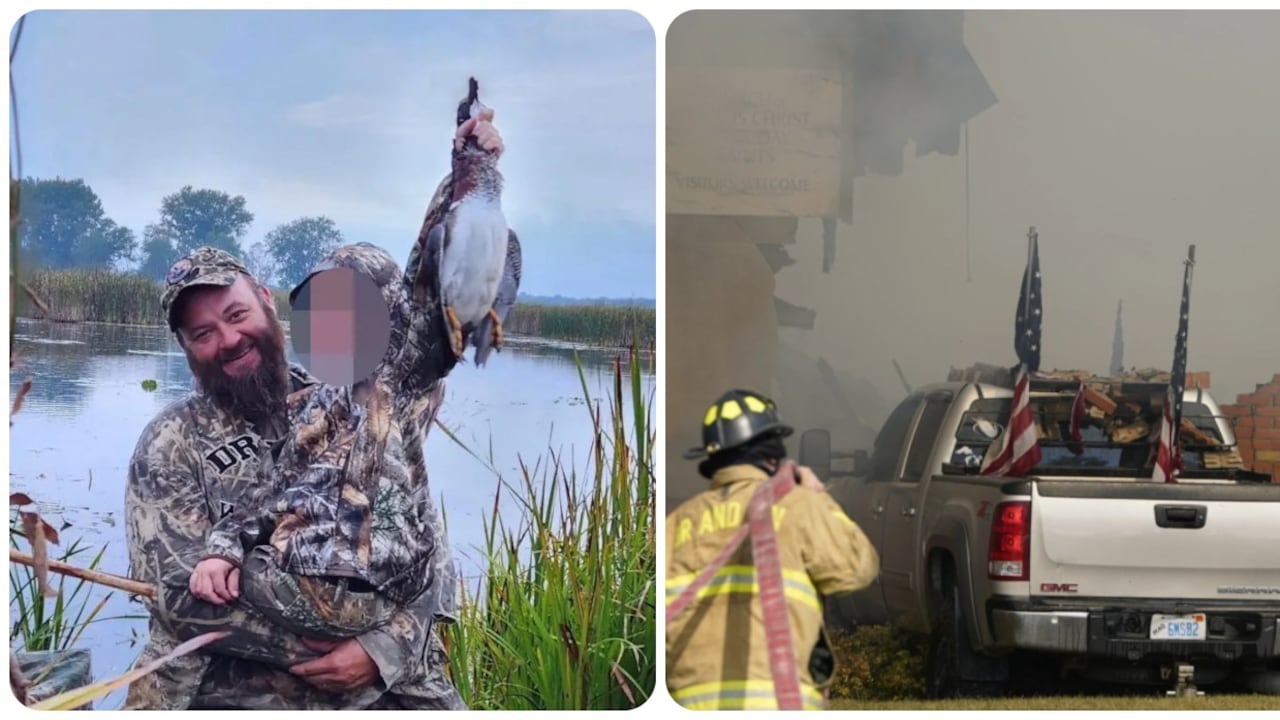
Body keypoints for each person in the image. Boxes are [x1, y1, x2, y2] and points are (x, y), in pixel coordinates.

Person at [122, 108, 504, 711]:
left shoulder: (357, 393)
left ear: (271, 309)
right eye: (201, 333)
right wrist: (335, 643)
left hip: (375, 683)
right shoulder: (172, 443)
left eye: (235, 314)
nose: (225, 339)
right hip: (232, 693)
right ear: (185, 350)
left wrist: (383, 649)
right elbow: (174, 594)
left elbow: (422, 299)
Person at [665, 389, 880, 711]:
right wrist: (818, 495)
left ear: (713, 458)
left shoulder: (678, 523)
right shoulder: (798, 505)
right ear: (771, 455)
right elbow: (855, 570)